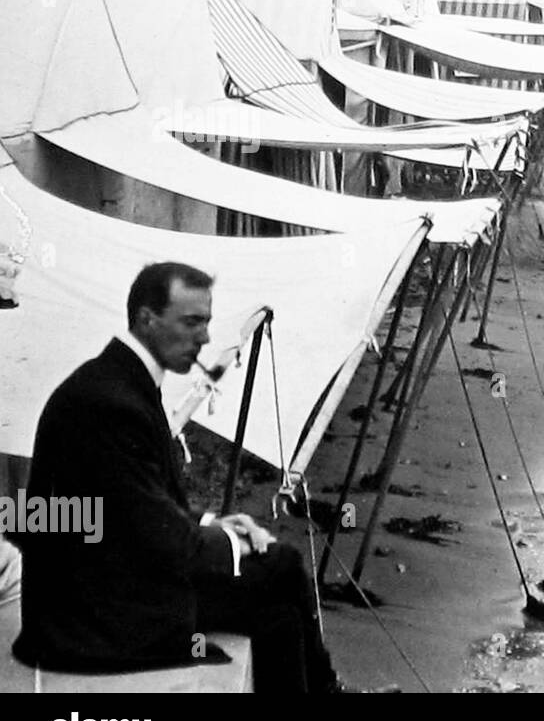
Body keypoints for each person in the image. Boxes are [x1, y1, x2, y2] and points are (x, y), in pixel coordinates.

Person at [11, 263, 346, 693]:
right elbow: (155, 536)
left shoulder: (117, 381)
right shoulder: (109, 403)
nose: (205, 338)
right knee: (282, 566)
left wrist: (212, 525)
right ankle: (330, 689)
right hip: (91, 617)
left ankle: (326, 690)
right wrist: (233, 545)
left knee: (277, 616)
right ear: (147, 319)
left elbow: (136, 511)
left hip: (105, 588)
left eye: (205, 323)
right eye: (191, 323)